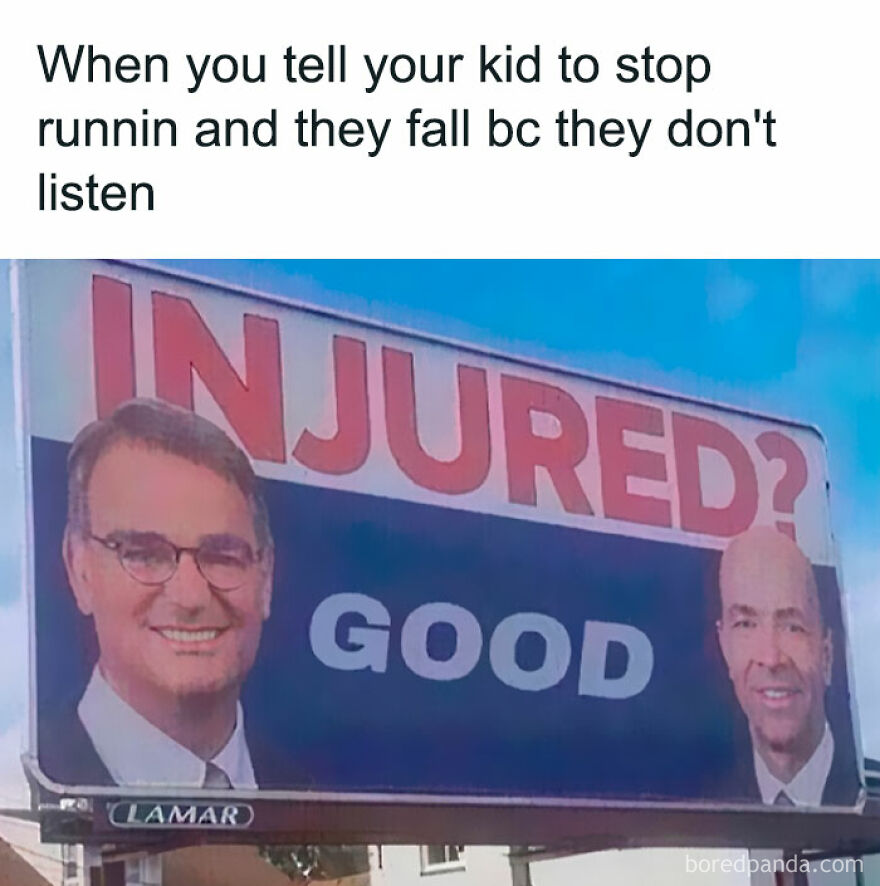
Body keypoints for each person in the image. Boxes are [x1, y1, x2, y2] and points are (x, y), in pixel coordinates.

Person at [39, 398, 285, 790]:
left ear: (266, 575)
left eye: (222, 556)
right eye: (145, 555)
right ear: (78, 568)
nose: (190, 597)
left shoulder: (313, 794)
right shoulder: (24, 787)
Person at [715, 526, 860, 806]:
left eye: (792, 627)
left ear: (826, 653)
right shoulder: (701, 799)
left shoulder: (863, 793)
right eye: (746, 624)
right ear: (724, 646)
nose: (771, 659)